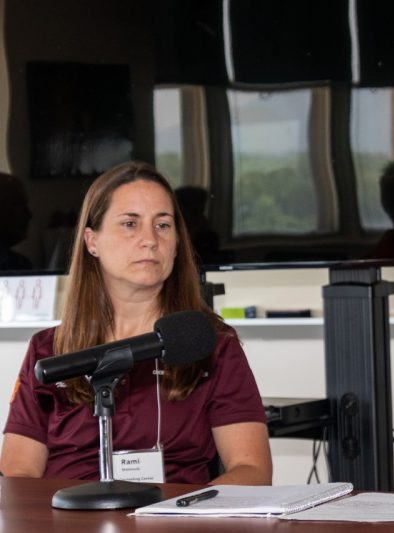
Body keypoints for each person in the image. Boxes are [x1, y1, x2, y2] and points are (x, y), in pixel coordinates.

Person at [0, 161, 272, 485]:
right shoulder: (48, 349)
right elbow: (18, 475)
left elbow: (252, 471)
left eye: (163, 225)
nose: (150, 240)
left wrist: (185, 512)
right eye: (130, 223)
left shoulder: (212, 343)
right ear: (92, 241)